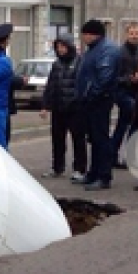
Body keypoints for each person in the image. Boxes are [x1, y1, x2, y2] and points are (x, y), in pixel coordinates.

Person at [73, 19, 122, 191]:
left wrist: (90, 95)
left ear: (92, 34)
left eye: (85, 34)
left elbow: (104, 78)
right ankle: (93, 174)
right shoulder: (94, 49)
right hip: (91, 101)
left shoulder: (106, 50)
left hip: (99, 101)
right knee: (94, 139)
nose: (83, 37)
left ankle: (103, 176)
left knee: (101, 139)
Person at [39, 34, 86, 180]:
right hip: (58, 108)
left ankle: (80, 169)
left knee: (78, 140)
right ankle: (57, 167)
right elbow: (51, 86)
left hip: (75, 109)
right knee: (57, 140)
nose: (60, 50)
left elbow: (83, 84)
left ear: (70, 46)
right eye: (58, 47)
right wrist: (45, 106)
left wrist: (78, 101)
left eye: (63, 46)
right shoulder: (56, 64)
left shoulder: (80, 62)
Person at [110, 21, 138, 169]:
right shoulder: (120, 53)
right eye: (132, 33)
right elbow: (114, 77)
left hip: (136, 93)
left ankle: (116, 156)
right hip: (123, 93)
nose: (135, 36)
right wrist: (130, 79)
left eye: (137, 33)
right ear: (126, 35)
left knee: (124, 125)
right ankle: (126, 156)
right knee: (131, 124)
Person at [0, 22, 24, 145]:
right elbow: (2, 79)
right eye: (8, 39)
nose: (9, 41)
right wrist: (20, 81)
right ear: (3, 41)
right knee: (1, 139)